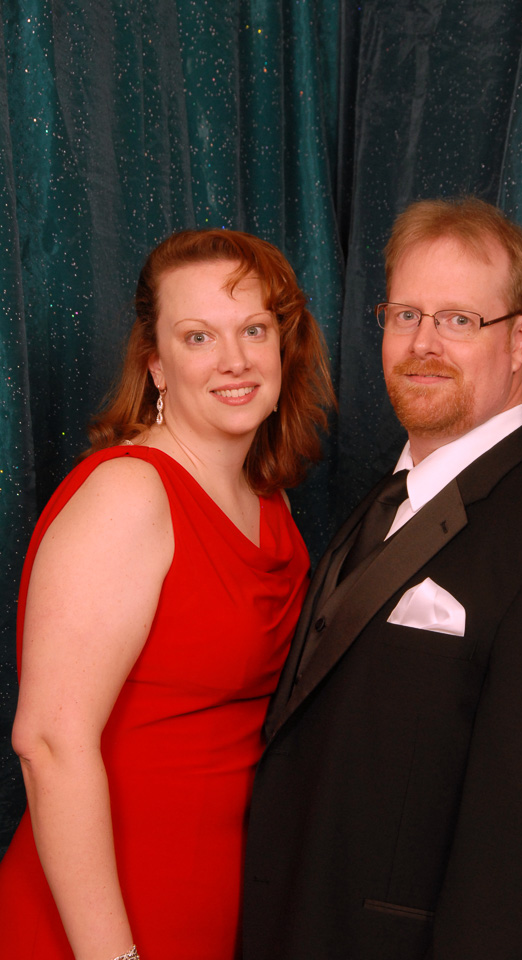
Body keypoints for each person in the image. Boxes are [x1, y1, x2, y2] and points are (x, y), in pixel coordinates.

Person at [243, 198, 522, 960]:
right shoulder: (383, 498)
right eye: (405, 315)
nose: (422, 344)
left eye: (459, 319)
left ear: (521, 339)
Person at [0, 228, 333, 960]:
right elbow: (48, 743)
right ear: (156, 364)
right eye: (198, 337)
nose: (234, 360)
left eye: (253, 330)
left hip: (218, 906)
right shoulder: (129, 495)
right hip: (105, 922)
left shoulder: (266, 497)